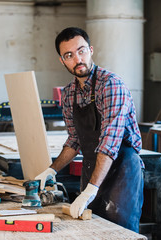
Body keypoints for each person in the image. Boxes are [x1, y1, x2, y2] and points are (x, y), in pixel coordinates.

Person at [35, 27, 144, 232]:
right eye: (69, 55)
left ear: (91, 50)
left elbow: (110, 141)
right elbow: (75, 140)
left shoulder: (111, 85)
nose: (78, 59)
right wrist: (51, 170)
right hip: (91, 166)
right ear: (62, 60)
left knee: (120, 230)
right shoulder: (68, 94)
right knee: (90, 228)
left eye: (81, 50)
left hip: (122, 167)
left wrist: (89, 190)